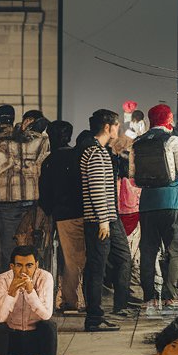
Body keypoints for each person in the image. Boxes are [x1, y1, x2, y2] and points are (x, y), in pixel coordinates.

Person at [131, 104, 178, 311]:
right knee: (173, 251)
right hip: (171, 203)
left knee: (148, 251)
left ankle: (149, 298)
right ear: (167, 119)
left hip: (147, 204)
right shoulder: (173, 141)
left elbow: (134, 179)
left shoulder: (137, 142)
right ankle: (169, 296)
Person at [0, 105, 51, 283]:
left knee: (8, 246)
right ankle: (31, 281)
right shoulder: (40, 140)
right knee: (32, 244)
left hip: (6, 200)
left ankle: (11, 281)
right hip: (32, 198)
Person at [79, 108, 131, 332]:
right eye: (117, 125)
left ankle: (108, 310)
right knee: (97, 267)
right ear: (108, 127)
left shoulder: (99, 151)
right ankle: (94, 318)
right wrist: (102, 220)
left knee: (119, 257)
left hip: (110, 217)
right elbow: (97, 188)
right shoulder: (95, 153)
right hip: (101, 219)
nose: (118, 129)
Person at [38, 120, 86, 314]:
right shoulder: (77, 156)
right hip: (83, 212)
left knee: (71, 259)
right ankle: (76, 298)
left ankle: (71, 300)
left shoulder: (50, 161)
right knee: (79, 258)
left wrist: (49, 212)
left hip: (63, 215)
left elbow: (45, 194)